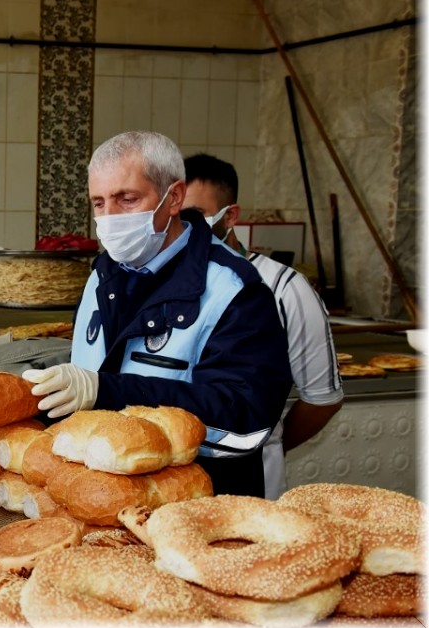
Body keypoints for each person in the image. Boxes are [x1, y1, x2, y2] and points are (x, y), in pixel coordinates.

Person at [21, 131, 292, 498]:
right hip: (103, 494)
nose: (110, 218)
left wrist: (108, 392)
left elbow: (245, 417)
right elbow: (92, 369)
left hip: (198, 503)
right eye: (99, 203)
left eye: (127, 199)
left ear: (174, 197)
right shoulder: (103, 274)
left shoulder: (233, 290)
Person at [183, 152, 344, 500]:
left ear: (231, 216)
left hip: (249, 484)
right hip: (174, 481)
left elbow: (322, 400)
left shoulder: (284, 288)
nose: (185, 227)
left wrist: (266, 443)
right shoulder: (165, 285)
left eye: (195, 215)